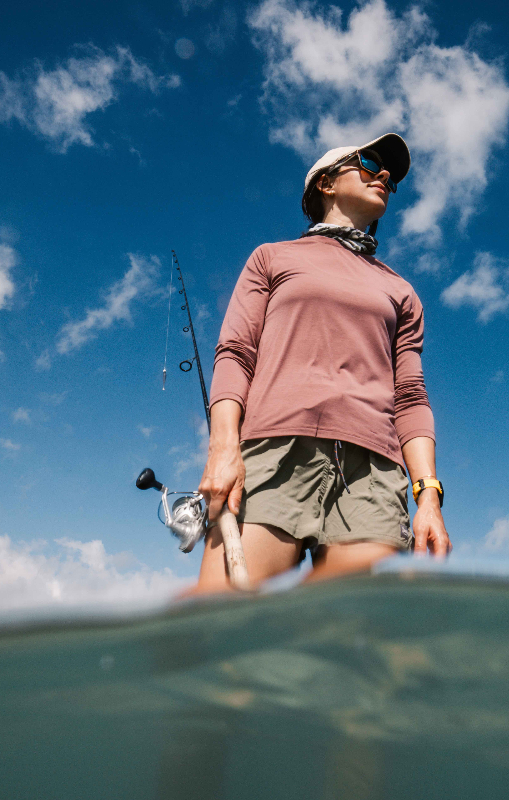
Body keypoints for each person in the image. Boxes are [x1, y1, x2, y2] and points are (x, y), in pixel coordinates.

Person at [193, 133, 450, 593]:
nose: (385, 175)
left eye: (391, 175)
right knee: (219, 618)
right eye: (370, 163)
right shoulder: (271, 258)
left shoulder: (403, 292)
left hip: (372, 475)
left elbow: (411, 397)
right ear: (326, 183)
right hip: (274, 455)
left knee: (357, 643)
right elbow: (235, 354)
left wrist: (427, 496)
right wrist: (223, 448)